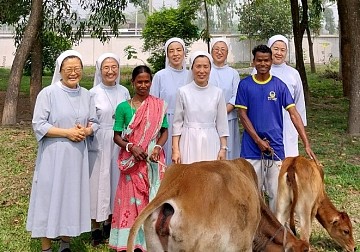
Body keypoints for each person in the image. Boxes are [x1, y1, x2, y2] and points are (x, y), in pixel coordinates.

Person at [26, 50, 99, 252]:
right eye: (69, 69)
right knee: (49, 197)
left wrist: (86, 130)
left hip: (76, 157)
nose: (73, 73)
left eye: (77, 69)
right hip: (54, 154)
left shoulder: (86, 95)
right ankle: (46, 246)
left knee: (70, 196)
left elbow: (94, 121)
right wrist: (66, 133)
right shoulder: (48, 94)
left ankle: (65, 244)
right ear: (60, 71)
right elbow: (38, 124)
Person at [235, 45, 317, 213]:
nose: (263, 63)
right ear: (253, 62)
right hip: (251, 149)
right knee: (251, 193)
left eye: (266, 60)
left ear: (271, 62)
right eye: (259, 60)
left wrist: (306, 143)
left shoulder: (279, 86)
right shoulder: (245, 85)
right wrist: (258, 140)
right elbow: (242, 116)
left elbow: (294, 114)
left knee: (276, 193)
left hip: (275, 148)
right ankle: (255, 233)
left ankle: (277, 232)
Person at [108, 65, 168, 251]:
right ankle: (130, 242)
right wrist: (131, 147)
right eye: (139, 82)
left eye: (147, 81)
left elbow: (164, 131)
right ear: (133, 83)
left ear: (151, 82)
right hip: (131, 160)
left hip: (152, 159)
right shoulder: (123, 107)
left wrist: (157, 147)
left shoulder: (158, 105)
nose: (143, 85)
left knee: (153, 199)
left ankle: (152, 241)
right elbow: (117, 135)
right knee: (130, 200)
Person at [88, 53, 130, 245]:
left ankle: (111, 222)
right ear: (100, 70)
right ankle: (95, 227)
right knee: (98, 183)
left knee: (116, 182)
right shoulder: (93, 93)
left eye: (114, 67)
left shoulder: (124, 92)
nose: (111, 71)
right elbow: (89, 120)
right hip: (100, 142)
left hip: (119, 141)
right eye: (106, 67)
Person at [252, 35, 307, 157]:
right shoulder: (259, 70)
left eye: (283, 50)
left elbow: (299, 101)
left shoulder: (293, 74)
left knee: (288, 158)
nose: (279, 53)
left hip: (288, 122)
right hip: (265, 122)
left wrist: (300, 126)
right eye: (276, 49)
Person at [172, 51, 229, 164]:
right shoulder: (183, 92)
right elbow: (177, 123)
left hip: (210, 140)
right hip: (189, 139)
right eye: (198, 66)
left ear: (210, 69)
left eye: (205, 67)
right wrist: (176, 150)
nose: (202, 71)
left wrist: (223, 148)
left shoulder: (218, 92)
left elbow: (222, 123)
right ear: (192, 68)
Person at [150, 37, 188, 165]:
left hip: (187, 122)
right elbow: (153, 103)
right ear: (167, 54)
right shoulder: (160, 76)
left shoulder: (191, 75)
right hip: (165, 123)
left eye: (179, 50)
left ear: (184, 52)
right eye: (171, 51)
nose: (175, 54)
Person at [209, 37, 241, 160]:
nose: (219, 52)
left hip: (229, 119)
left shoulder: (233, 73)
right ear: (211, 52)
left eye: (223, 49)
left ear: (227, 53)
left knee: (229, 153)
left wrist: (222, 112)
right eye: (216, 49)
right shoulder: (206, 70)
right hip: (209, 120)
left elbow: (236, 96)